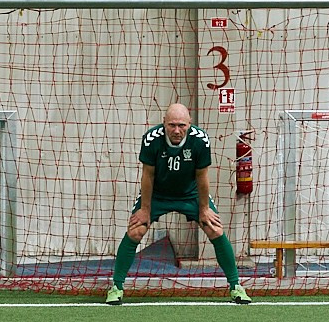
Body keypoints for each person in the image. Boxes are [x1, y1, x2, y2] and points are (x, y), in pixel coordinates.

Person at [106, 102, 250, 305]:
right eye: (172, 125)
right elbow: (148, 175)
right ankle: (116, 287)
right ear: (163, 123)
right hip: (158, 194)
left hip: (189, 193)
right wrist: (145, 210)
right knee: (135, 230)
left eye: (182, 125)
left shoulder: (200, 140)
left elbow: (202, 176)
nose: (176, 130)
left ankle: (236, 286)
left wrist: (204, 209)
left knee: (215, 229)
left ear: (189, 124)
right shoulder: (151, 139)